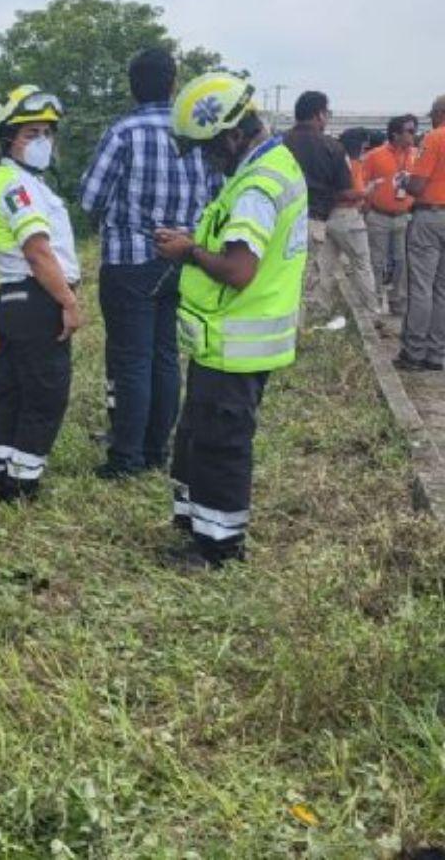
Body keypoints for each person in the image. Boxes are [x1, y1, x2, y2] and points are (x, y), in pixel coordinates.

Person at [154, 72, 308, 569]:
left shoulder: (256, 188)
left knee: (221, 444)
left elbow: (239, 270)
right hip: (224, 340)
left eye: (207, 148)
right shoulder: (265, 167)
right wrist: (194, 243)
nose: (206, 159)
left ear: (232, 135)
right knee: (198, 436)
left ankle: (218, 549)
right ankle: (196, 525)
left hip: (237, 342)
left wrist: (189, 252)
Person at [79, 48, 217, 479]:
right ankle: (157, 449)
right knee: (164, 356)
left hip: (129, 262)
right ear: (174, 84)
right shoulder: (193, 134)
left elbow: (90, 197)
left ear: (132, 86)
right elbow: (216, 194)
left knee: (132, 360)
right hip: (182, 259)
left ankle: (126, 458)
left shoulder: (123, 132)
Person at [0, 85, 84, 501]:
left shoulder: (16, 181)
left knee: (13, 394)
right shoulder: (17, 186)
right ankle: (20, 485)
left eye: (47, 133)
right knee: (45, 398)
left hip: (14, 302)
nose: (42, 142)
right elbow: (38, 252)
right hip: (36, 300)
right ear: (8, 139)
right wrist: (68, 302)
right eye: (31, 133)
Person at [283, 91, 359, 321]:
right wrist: (364, 193)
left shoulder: (279, 142)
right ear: (319, 114)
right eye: (327, 113)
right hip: (313, 220)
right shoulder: (333, 147)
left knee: (282, 276)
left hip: (280, 219)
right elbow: (344, 191)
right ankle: (301, 327)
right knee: (307, 279)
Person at [397, 95, 445, 371]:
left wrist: (406, 180)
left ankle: (414, 352)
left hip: (431, 216)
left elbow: (416, 186)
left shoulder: (435, 138)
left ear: (440, 112)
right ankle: (436, 354)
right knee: (442, 290)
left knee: (421, 287)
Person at [362, 115, 418, 318]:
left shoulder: (416, 155)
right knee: (376, 262)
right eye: (410, 131)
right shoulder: (375, 156)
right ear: (395, 134)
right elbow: (363, 183)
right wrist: (367, 210)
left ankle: (397, 303)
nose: (414, 134)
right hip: (379, 216)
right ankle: (375, 303)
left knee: (401, 262)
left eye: (415, 130)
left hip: (403, 217)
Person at [326, 127, 382, 315]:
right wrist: (367, 191)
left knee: (326, 265)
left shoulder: (331, 159)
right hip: (348, 216)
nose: (366, 151)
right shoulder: (350, 162)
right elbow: (349, 192)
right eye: (364, 147)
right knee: (362, 263)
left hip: (328, 216)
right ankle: (371, 309)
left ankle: (322, 308)